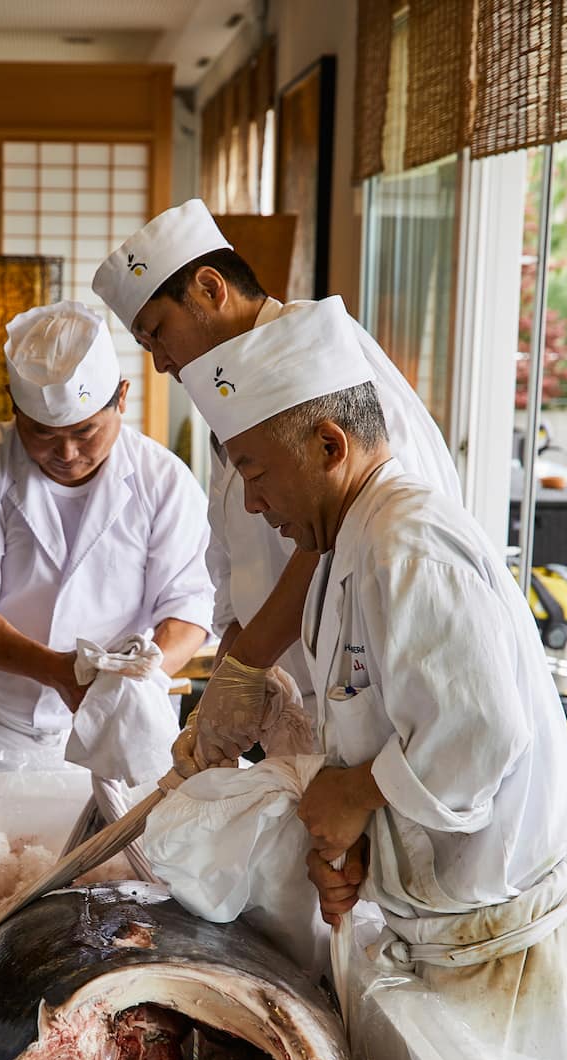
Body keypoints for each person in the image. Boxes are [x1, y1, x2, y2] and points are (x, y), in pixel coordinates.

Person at [178, 295, 567, 1060]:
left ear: (329, 445)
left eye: (257, 474)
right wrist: (360, 841)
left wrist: (356, 793)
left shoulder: (407, 541)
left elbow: (479, 737)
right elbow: (391, 722)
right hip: (445, 932)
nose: (254, 505)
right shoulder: (347, 545)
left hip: (506, 955)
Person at [92, 198, 461, 716]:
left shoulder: (326, 362)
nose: (160, 362)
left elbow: (344, 520)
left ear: (210, 288)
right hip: (295, 698)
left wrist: (248, 660)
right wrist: (230, 663)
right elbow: (233, 550)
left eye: (157, 333)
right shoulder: (228, 393)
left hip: (367, 692)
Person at [0, 299, 213, 782]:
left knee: (116, 832)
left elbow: (189, 604)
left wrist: (140, 679)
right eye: (41, 434)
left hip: (120, 717)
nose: (67, 452)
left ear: (121, 398)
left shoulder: (163, 480)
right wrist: (57, 670)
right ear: (12, 407)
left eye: (85, 431)